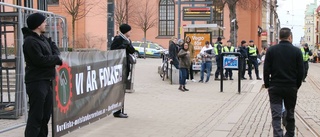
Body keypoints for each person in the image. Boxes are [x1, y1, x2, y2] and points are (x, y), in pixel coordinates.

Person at [22, 13, 63, 137]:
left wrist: (55, 57)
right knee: (36, 116)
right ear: (38, 25)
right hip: (37, 82)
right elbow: (40, 60)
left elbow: (54, 49)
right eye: (44, 22)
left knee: (45, 116)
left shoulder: (43, 38)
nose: (46, 24)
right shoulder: (30, 41)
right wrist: (56, 59)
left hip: (47, 80)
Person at [263, 27, 304, 137]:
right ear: (290, 37)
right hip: (291, 87)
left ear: (279, 37)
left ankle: (278, 134)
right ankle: (290, 134)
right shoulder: (297, 51)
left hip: (275, 87)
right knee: (290, 113)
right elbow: (301, 71)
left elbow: (266, 69)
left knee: (276, 115)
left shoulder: (271, 50)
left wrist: (267, 84)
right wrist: (297, 85)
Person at [110, 24, 135, 118]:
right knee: (119, 89)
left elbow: (132, 51)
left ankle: (120, 109)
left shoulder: (128, 40)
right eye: (129, 31)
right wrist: (122, 46)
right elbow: (113, 51)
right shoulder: (117, 39)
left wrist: (127, 45)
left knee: (122, 88)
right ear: (125, 31)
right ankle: (117, 110)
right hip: (119, 67)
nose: (131, 32)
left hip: (125, 65)